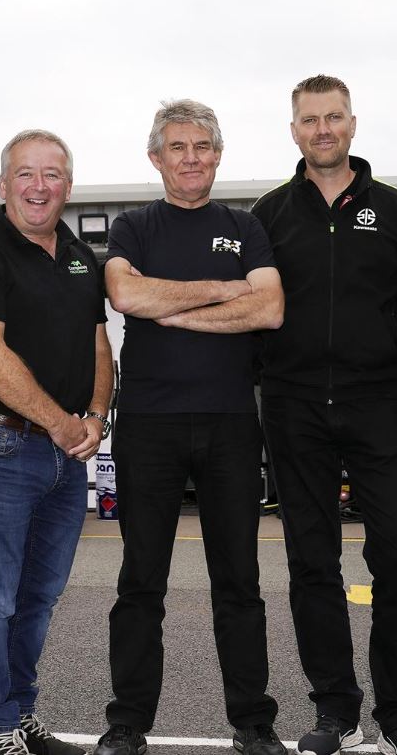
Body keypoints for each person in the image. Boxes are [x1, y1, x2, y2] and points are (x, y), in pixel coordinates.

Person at [252, 75, 397, 755]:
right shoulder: (268, 213)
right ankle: (336, 710)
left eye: (333, 117)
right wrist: (268, 370)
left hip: (376, 402)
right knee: (312, 563)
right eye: (310, 119)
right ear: (294, 130)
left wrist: (393, 363)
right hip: (293, 406)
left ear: (352, 124)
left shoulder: (392, 208)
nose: (322, 129)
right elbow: (251, 302)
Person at [94, 100, 287, 755]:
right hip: (148, 425)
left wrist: (174, 308)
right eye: (177, 146)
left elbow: (270, 308)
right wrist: (225, 289)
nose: (191, 157)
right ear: (156, 157)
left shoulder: (244, 226)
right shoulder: (133, 225)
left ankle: (253, 723)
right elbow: (126, 295)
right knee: (139, 581)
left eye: (203, 145)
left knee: (239, 582)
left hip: (230, 423)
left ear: (218, 154)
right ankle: (127, 723)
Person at [0, 130, 113, 755]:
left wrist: (96, 414)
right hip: (1, 444)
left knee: (38, 598)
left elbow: (99, 344)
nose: (39, 186)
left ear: (68, 186)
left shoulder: (79, 256)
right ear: (3, 184)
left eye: (52, 175)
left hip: (65, 453)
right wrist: (62, 424)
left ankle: (18, 715)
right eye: (25, 174)